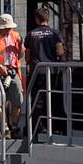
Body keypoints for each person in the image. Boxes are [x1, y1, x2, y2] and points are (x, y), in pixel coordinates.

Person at [25, 10, 66, 138]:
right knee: (53, 98)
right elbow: (60, 52)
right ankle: (54, 127)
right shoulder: (55, 33)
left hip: (36, 72)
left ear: (37, 19)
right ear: (47, 19)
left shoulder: (31, 34)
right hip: (52, 71)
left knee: (37, 101)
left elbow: (27, 57)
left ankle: (37, 128)